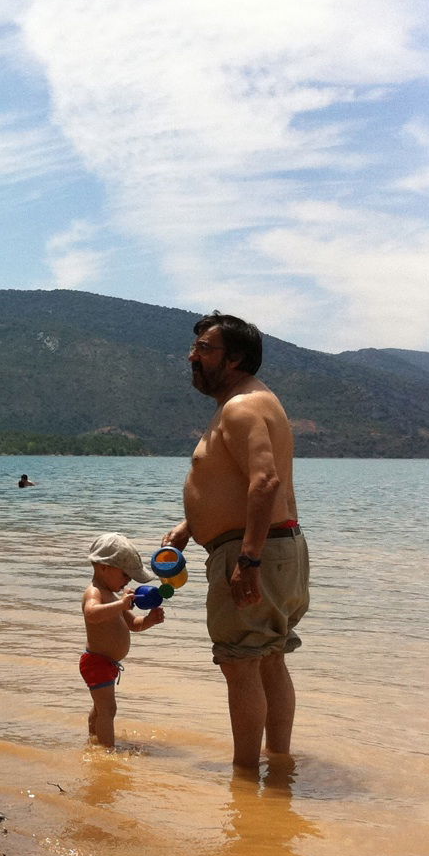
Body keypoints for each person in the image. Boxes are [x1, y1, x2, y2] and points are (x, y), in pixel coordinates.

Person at [161, 311, 308, 771]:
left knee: (241, 664)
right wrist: (192, 525)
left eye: (205, 349)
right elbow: (239, 479)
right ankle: (278, 766)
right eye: (195, 348)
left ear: (236, 358)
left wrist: (248, 559)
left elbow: (265, 483)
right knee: (268, 659)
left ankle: (245, 780)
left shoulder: (242, 406)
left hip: (253, 550)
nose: (193, 357)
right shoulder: (253, 402)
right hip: (278, 545)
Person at [80, 533, 164, 748]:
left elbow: (134, 625)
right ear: (103, 567)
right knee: (108, 709)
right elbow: (91, 613)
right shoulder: (95, 592)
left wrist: (150, 620)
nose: (128, 580)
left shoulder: (115, 598)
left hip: (107, 664)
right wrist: (121, 605)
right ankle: (108, 752)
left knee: (101, 708)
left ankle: (94, 739)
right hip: (96, 663)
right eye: (125, 575)